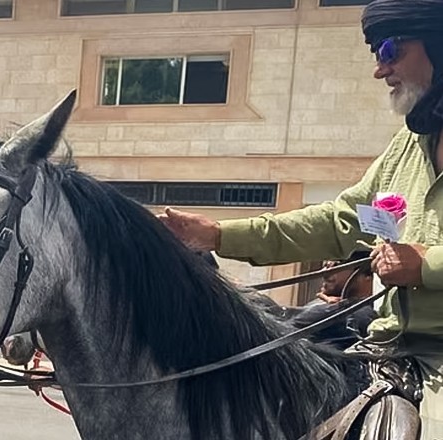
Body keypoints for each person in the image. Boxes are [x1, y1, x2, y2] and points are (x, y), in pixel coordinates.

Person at [158, 0, 443, 436]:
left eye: (390, 50)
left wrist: (425, 265)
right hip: (385, 353)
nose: (380, 70)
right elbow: (336, 222)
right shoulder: (406, 145)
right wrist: (217, 235)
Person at [289, 252, 377, 349]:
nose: (324, 272)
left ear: (367, 275)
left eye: (335, 265)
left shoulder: (360, 316)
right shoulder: (320, 307)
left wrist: (336, 308)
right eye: (326, 265)